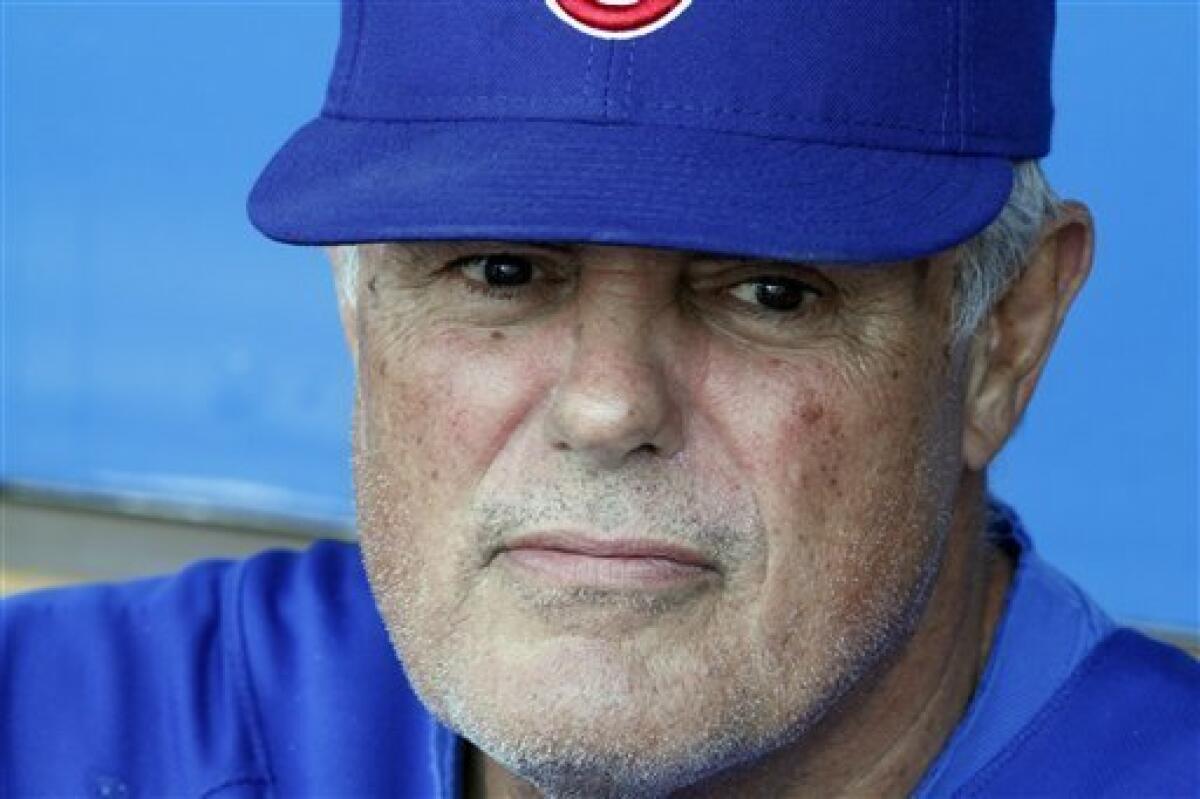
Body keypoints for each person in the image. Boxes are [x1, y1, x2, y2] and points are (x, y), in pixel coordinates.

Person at [4, 1, 1197, 796]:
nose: (608, 405)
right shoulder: (59, 729)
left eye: (772, 292)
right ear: (354, 302)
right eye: (502, 272)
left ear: (1003, 337)